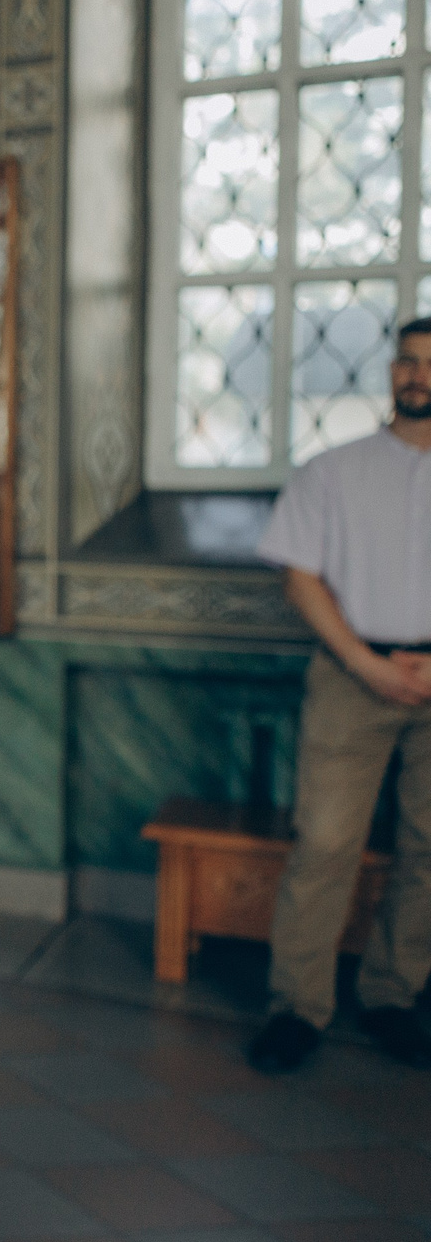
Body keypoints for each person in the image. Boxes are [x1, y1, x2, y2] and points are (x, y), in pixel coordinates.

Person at [246, 315, 431, 1074]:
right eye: (407, 360)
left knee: (429, 848)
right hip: (351, 675)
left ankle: (392, 994)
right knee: (324, 844)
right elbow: (300, 578)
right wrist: (367, 663)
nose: (418, 375)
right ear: (390, 372)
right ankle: (297, 1008)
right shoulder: (332, 471)